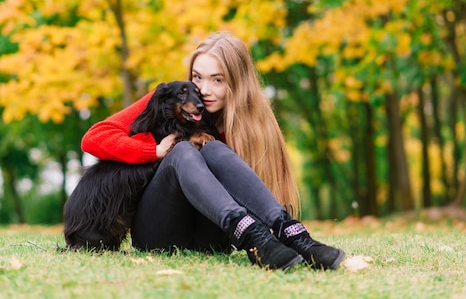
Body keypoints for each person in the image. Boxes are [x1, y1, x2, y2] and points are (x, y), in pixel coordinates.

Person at [81, 31, 345, 270]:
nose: (204, 91)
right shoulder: (167, 100)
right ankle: (257, 236)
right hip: (158, 231)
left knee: (213, 148)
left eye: (217, 80)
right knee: (184, 150)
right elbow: (93, 138)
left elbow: (264, 196)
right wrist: (153, 150)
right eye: (197, 77)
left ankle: (297, 237)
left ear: (237, 83)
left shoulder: (257, 126)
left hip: (214, 237)